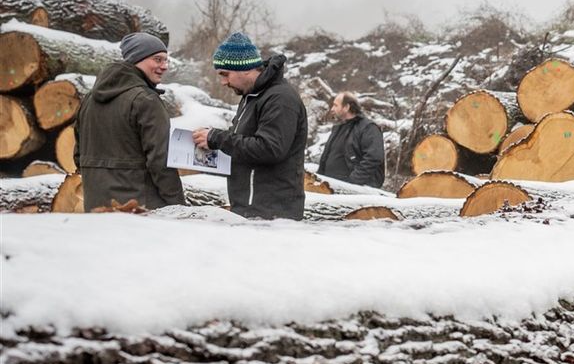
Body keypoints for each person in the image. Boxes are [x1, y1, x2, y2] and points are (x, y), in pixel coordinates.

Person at [191, 32, 306, 220]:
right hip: (250, 208)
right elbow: (242, 140)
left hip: (272, 215)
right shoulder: (251, 97)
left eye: (225, 74)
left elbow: (270, 148)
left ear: (245, 69)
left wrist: (216, 138)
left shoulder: (280, 99)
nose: (223, 81)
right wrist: (209, 143)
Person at [76, 31, 187, 211]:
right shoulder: (146, 100)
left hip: (96, 207)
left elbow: (78, 154)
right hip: (139, 209)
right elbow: (161, 160)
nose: (164, 66)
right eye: (157, 59)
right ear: (138, 59)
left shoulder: (89, 100)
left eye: (166, 60)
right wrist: (178, 205)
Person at [316, 92, 386, 187]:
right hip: (330, 187)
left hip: (355, 192)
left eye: (336, 105)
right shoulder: (338, 127)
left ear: (346, 107)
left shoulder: (368, 128)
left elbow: (374, 157)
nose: (332, 109)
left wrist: (352, 182)